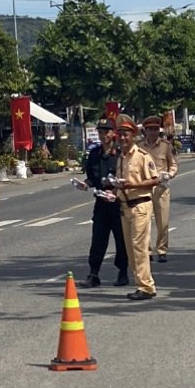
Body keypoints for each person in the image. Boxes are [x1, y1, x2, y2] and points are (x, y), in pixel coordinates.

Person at [77, 117, 129, 288]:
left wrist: (114, 191)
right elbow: (92, 177)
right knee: (98, 239)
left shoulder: (121, 154)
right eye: (100, 132)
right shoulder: (94, 153)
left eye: (106, 131)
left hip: (117, 203)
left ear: (113, 133)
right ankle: (94, 273)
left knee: (121, 239)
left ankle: (123, 272)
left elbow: (126, 178)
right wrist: (87, 184)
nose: (103, 135)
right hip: (101, 203)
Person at [113, 114, 160, 300]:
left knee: (139, 246)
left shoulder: (142, 156)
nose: (123, 138)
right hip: (125, 206)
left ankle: (146, 287)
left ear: (133, 136)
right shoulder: (121, 157)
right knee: (130, 249)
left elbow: (154, 179)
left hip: (140, 205)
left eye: (127, 135)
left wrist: (132, 186)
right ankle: (141, 283)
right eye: (121, 134)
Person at [138, 115, 179, 263]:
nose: (153, 132)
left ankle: (162, 250)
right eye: (150, 130)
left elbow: (173, 164)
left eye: (156, 129)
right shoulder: (139, 147)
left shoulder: (165, 145)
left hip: (161, 187)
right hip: (144, 187)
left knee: (163, 222)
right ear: (145, 131)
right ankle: (147, 251)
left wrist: (170, 174)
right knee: (144, 221)